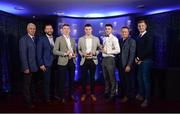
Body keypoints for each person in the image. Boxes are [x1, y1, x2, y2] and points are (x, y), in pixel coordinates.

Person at [53, 24, 77, 103]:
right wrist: (64, 53)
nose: (66, 30)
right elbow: (55, 51)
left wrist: (74, 54)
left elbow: (74, 51)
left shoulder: (73, 39)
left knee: (71, 79)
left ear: (70, 30)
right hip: (62, 62)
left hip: (71, 61)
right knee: (62, 80)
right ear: (62, 30)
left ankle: (71, 94)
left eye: (68, 28)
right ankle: (62, 97)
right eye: (64, 28)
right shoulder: (58, 39)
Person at [78, 24, 101, 102]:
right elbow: (79, 50)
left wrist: (94, 53)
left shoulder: (96, 39)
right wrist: (82, 54)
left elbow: (99, 49)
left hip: (93, 60)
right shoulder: (80, 39)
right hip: (84, 60)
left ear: (92, 30)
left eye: (89, 29)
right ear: (84, 30)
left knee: (92, 78)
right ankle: (84, 93)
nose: (88, 31)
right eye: (86, 29)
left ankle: (92, 94)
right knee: (83, 78)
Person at [19, 23, 38, 108]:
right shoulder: (23, 39)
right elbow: (23, 55)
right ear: (27, 29)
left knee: (32, 85)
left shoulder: (35, 39)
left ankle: (33, 99)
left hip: (34, 67)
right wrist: (26, 67)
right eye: (31, 28)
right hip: (28, 67)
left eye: (34, 29)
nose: (33, 30)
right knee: (26, 86)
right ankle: (28, 102)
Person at [135, 20, 154, 107]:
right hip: (139, 61)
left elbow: (149, 49)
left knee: (146, 80)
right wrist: (136, 58)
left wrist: (140, 58)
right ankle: (141, 95)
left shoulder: (149, 35)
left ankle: (147, 99)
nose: (141, 27)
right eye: (139, 26)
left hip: (146, 61)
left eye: (142, 26)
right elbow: (137, 50)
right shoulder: (138, 36)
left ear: (146, 26)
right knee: (139, 78)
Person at [37, 24, 56, 104]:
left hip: (55, 64)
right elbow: (38, 52)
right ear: (45, 30)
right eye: (47, 29)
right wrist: (41, 64)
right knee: (46, 82)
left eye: (51, 28)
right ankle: (47, 98)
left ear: (52, 29)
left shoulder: (56, 38)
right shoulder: (41, 39)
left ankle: (52, 96)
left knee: (54, 81)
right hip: (46, 64)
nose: (49, 30)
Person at [101, 24, 120, 102]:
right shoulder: (104, 38)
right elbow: (104, 48)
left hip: (110, 59)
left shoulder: (114, 38)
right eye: (106, 29)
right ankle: (107, 92)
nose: (107, 30)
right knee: (106, 78)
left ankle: (113, 94)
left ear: (111, 30)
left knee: (112, 78)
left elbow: (118, 50)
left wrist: (107, 51)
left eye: (109, 29)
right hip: (104, 59)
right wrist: (101, 49)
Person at [117, 26, 136, 103]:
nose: (124, 33)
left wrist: (129, 65)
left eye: (126, 32)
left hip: (127, 65)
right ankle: (123, 94)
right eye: (123, 32)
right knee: (122, 81)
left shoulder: (132, 41)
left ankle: (128, 96)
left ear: (128, 32)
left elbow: (132, 54)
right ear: (121, 32)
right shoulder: (120, 40)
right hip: (120, 64)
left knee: (128, 81)